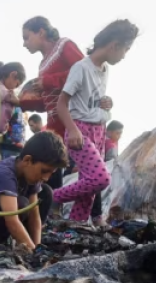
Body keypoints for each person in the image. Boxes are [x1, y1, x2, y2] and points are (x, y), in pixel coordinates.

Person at [55, 20, 139, 223]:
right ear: (114, 45)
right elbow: (61, 104)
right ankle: (51, 197)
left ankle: (76, 227)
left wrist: (105, 103)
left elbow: (90, 100)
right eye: (125, 49)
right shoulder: (81, 68)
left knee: (89, 190)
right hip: (80, 130)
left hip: (99, 130)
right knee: (100, 179)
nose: (124, 55)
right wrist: (73, 130)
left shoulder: (103, 69)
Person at [21, 17, 84, 189]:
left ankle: (95, 215)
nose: (24, 44)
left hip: (74, 121)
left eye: (26, 37)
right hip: (55, 124)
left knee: (84, 168)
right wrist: (22, 103)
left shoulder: (64, 46)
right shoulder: (42, 65)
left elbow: (83, 73)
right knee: (51, 165)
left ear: (41, 32)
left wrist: (48, 81)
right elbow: (47, 102)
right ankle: (52, 209)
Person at [90, 120, 124, 224]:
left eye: (121, 133)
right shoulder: (109, 144)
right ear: (109, 132)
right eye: (117, 133)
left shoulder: (111, 142)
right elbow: (111, 162)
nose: (119, 136)